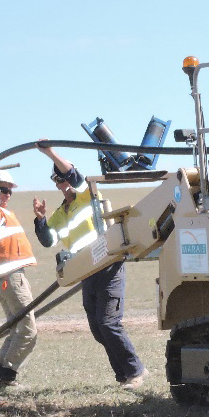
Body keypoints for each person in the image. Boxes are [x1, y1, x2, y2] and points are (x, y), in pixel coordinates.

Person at [33, 144, 148, 389]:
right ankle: (124, 375)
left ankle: (135, 371)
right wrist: (41, 219)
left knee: (108, 323)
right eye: (60, 182)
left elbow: (74, 175)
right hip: (87, 271)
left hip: (108, 265)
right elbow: (47, 240)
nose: (66, 184)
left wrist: (50, 153)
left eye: (66, 179)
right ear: (57, 185)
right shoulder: (60, 214)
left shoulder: (88, 195)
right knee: (98, 328)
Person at [0, 169, 38, 390]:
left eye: (9, 191)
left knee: (16, 330)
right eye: (3, 190)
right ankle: (6, 377)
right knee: (28, 331)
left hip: (7, 278)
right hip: (10, 278)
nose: (7, 194)